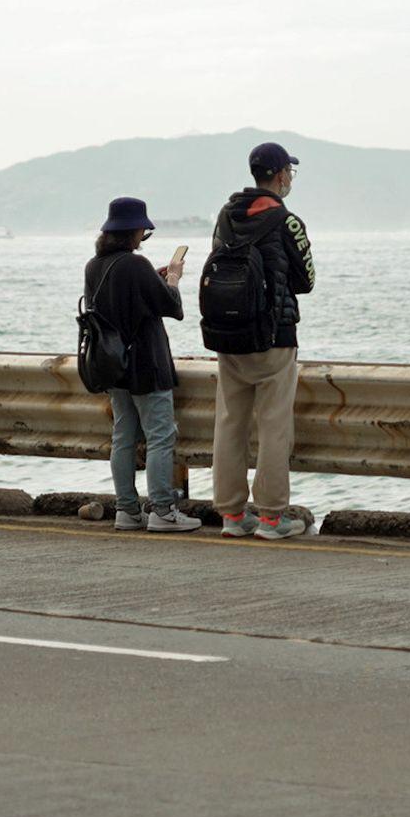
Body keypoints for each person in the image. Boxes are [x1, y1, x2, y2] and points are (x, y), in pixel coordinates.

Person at [201, 141, 316, 540]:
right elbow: (307, 281)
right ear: (281, 175)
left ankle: (232, 516)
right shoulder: (288, 222)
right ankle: (271, 517)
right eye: (290, 173)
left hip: (228, 336)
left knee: (229, 424)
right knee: (273, 426)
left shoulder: (226, 216)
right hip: (274, 338)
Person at [84, 197, 203, 533]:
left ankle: (127, 510)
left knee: (123, 435)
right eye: (141, 230)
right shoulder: (135, 266)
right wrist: (173, 277)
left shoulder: (95, 266)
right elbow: (171, 305)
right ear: (134, 231)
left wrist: (153, 277)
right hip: (146, 363)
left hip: (113, 364)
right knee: (160, 436)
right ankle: (163, 511)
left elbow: (118, 303)